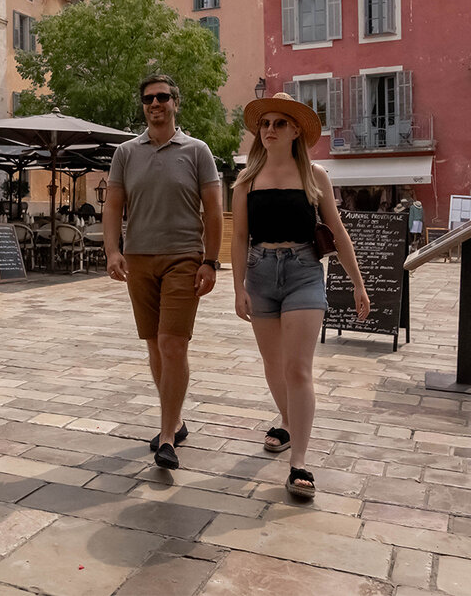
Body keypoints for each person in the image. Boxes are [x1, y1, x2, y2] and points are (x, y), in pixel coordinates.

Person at [231, 92, 370, 500]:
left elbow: (339, 233)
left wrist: (358, 284)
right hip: (259, 272)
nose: (269, 130)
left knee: (297, 369)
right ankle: (289, 426)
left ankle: (299, 464)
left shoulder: (315, 176)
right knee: (273, 365)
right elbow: (239, 238)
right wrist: (238, 287)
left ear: (295, 130)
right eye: (265, 123)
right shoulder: (246, 180)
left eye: (278, 123)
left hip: (304, 273)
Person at [104, 74, 222, 471]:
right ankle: (177, 420)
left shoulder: (197, 151)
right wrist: (112, 251)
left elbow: (213, 208)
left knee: (173, 344)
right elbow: (113, 206)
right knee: (155, 346)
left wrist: (210, 260)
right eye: (148, 99)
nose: (155, 104)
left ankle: (167, 436)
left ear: (175, 102)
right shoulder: (125, 152)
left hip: (183, 259)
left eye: (162, 97)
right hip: (138, 258)